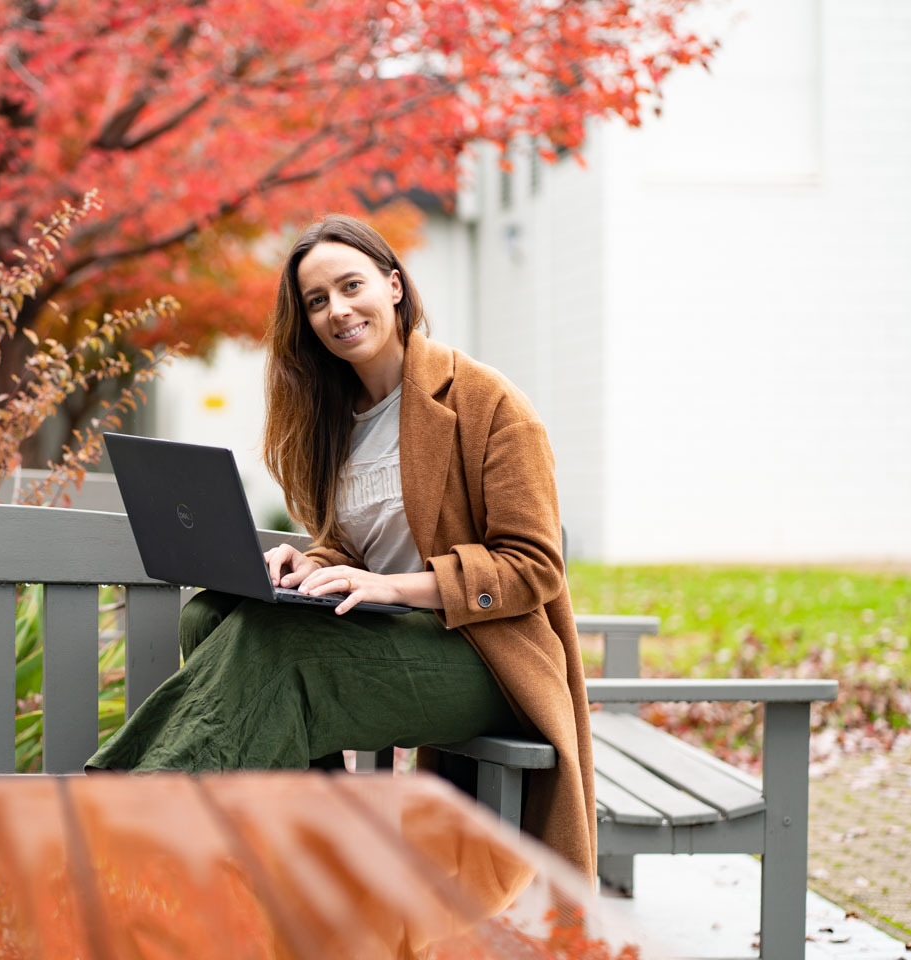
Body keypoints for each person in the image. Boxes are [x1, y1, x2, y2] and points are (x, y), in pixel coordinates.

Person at [86, 215, 596, 878]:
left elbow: (534, 568)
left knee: (282, 646)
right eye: (317, 300)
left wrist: (396, 587)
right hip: (390, 640)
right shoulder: (335, 420)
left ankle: (133, 826)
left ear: (393, 285)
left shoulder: (485, 401)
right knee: (207, 614)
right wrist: (313, 562)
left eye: (350, 286)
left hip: (483, 655)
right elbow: (357, 545)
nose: (337, 310)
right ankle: (311, 848)